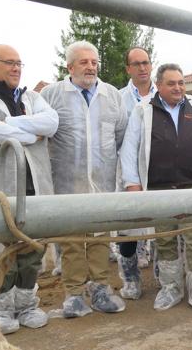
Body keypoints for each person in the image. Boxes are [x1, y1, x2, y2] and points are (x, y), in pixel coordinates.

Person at [0, 44, 58, 333]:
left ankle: (27, 304)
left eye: (19, 63)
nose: (16, 68)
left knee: (32, 251)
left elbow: (52, 123)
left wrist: (12, 123)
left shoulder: (33, 97)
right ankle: (1, 309)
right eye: (9, 62)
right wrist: (32, 134)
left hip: (34, 190)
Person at [120, 63, 192, 313]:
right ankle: (171, 289)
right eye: (171, 83)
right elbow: (130, 148)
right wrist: (132, 183)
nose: (178, 88)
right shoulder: (143, 110)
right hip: (159, 188)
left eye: (181, 82)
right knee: (164, 240)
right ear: (159, 85)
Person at [41, 40, 128, 318]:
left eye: (93, 62)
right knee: (73, 241)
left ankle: (101, 288)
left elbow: (120, 135)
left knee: (101, 237)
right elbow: (43, 135)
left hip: (101, 182)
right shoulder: (52, 94)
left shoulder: (112, 95)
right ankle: (75, 293)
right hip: (67, 181)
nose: (90, 67)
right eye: (84, 62)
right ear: (70, 66)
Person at [117, 46, 158, 278]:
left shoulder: (161, 94)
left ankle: (163, 274)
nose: (142, 68)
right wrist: (129, 176)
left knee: (162, 221)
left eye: (146, 63)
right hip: (129, 166)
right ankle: (130, 277)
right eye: (136, 64)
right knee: (129, 223)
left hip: (158, 167)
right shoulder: (118, 98)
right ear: (128, 69)